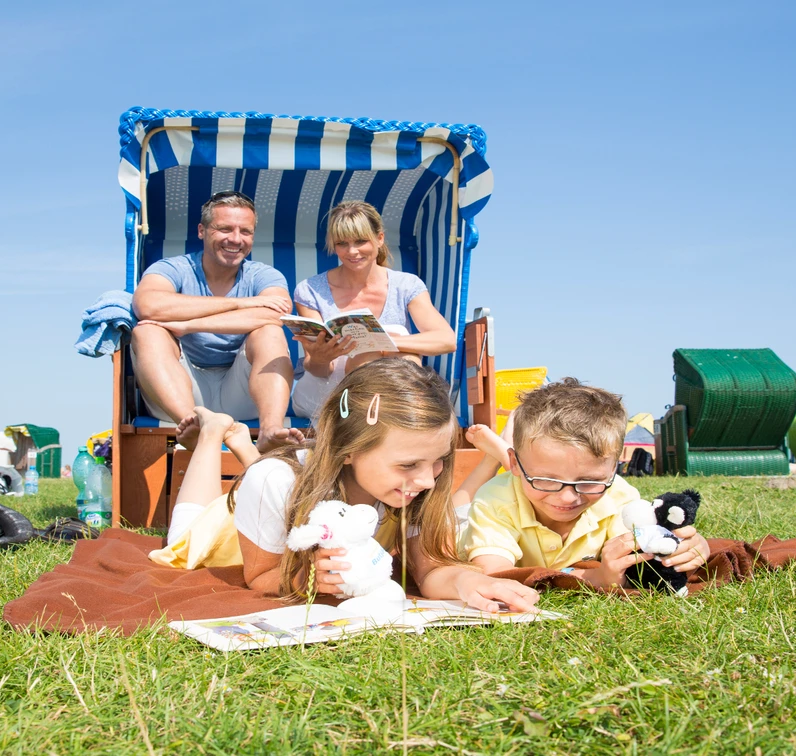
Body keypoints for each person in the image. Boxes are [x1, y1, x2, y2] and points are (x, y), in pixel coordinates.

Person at [157, 358, 539, 613]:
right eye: (408, 464)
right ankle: (212, 433)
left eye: (439, 461)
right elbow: (259, 575)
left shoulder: (415, 488)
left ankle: (239, 443)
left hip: (281, 495)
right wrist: (307, 579)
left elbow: (430, 569)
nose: (427, 479)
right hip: (227, 532)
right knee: (187, 530)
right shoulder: (273, 481)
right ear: (348, 450)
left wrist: (466, 581)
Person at [458, 378, 710, 590]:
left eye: (589, 482)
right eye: (546, 479)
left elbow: (642, 555)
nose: (568, 498)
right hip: (461, 525)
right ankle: (496, 455)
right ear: (515, 464)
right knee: (450, 514)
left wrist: (691, 549)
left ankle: (507, 450)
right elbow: (495, 574)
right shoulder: (495, 500)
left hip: (519, 468)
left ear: (613, 469)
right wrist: (593, 579)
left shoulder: (619, 495)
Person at [131, 191, 302, 452]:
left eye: (245, 231)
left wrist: (191, 324)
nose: (235, 239)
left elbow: (277, 314)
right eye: (224, 229)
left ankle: (271, 429)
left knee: (269, 331)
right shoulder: (173, 268)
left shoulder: (264, 275)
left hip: (242, 391)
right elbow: (147, 305)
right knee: (147, 332)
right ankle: (193, 426)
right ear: (202, 230)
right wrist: (242, 303)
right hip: (180, 392)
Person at [290, 201, 457, 419]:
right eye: (342, 243)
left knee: (399, 344)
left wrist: (382, 341)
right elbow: (320, 369)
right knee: (372, 352)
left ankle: (380, 418)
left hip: (387, 388)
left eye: (361, 241)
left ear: (380, 239)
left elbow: (446, 340)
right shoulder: (310, 290)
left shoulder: (405, 285)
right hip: (324, 388)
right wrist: (321, 358)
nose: (352, 251)